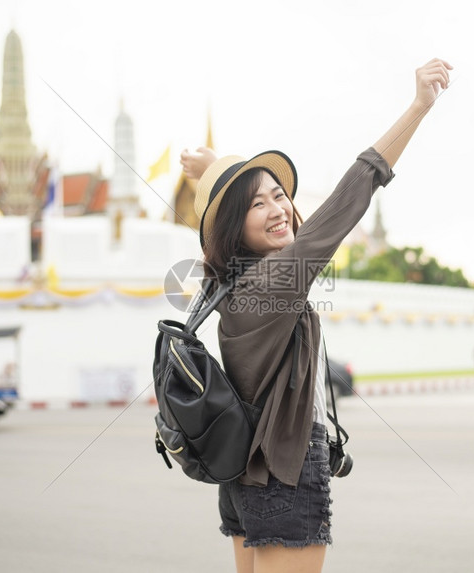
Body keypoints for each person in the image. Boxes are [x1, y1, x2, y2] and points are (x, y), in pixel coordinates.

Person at [180, 58, 452, 573]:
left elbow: (233, 221)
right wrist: (418, 107)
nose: (279, 208)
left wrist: (216, 169)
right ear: (238, 227)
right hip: (283, 468)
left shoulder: (227, 280)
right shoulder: (278, 277)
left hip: (242, 471)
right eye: (258, 205)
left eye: (279, 194)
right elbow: (357, 187)